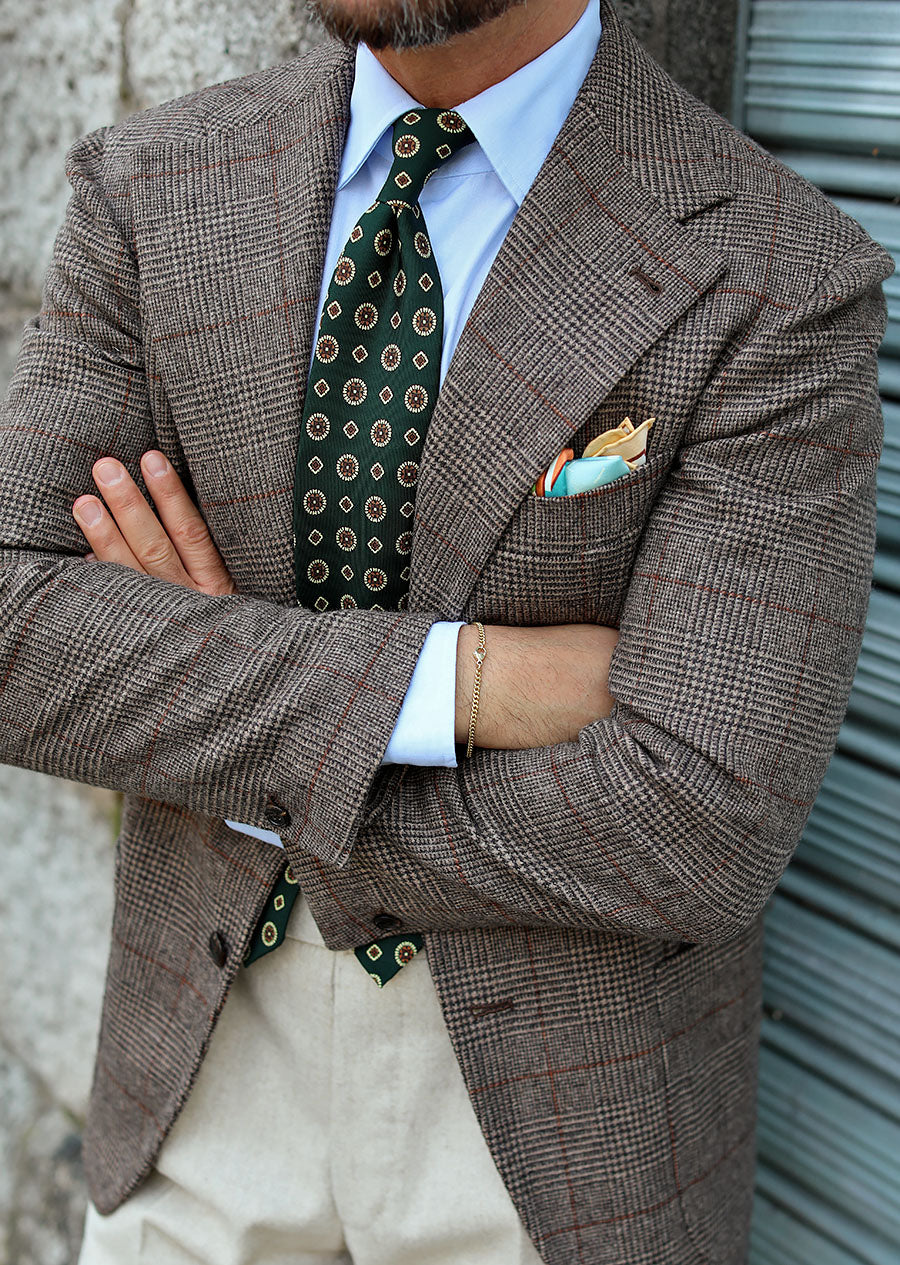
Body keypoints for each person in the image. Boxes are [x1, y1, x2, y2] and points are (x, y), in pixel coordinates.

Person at [0, 0, 893, 1260]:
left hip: (559, 1137)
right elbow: (14, 629)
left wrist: (216, 710)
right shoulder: (153, 187)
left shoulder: (777, 271)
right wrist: (460, 680)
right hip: (197, 1089)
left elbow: (701, 818)